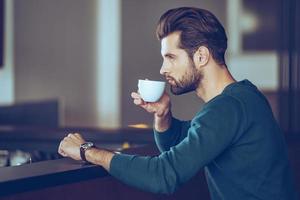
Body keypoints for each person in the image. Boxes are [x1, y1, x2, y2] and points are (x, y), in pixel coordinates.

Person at [58, 7, 298, 199]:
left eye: (170, 57)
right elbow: (185, 144)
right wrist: (163, 116)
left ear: (201, 56)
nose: (163, 69)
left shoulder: (227, 107)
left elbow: (163, 175)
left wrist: (86, 151)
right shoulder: (243, 97)